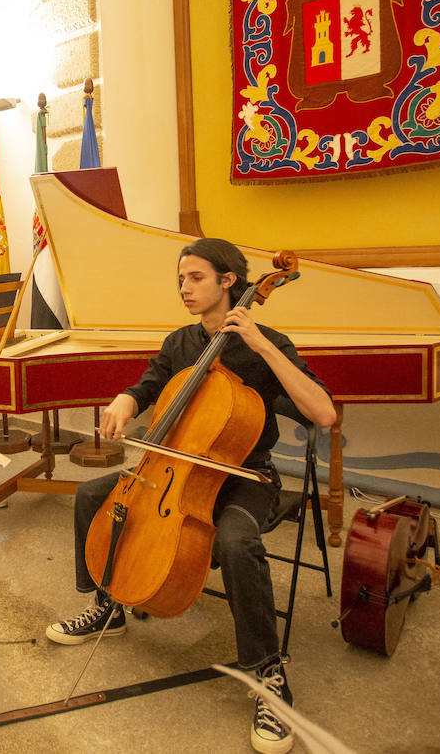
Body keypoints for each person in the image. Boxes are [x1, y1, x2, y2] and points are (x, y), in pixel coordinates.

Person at [43, 238, 336, 754]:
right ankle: (106, 606)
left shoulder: (269, 341)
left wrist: (263, 344)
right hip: (175, 468)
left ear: (229, 281)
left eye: (196, 277)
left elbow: (324, 413)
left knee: (237, 543)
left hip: (246, 477)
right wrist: (125, 399)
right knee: (94, 496)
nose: (184, 288)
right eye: (180, 279)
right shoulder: (181, 342)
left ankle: (268, 675)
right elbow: (153, 383)